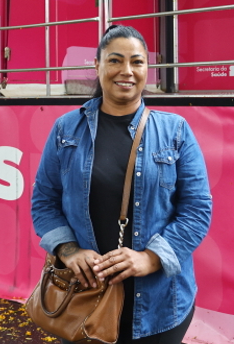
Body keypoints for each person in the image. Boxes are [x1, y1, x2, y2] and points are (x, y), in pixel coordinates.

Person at [31, 25, 212, 344]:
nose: (126, 71)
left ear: (147, 69)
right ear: (97, 65)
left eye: (137, 62)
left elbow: (196, 211)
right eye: (115, 60)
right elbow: (44, 202)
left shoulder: (176, 131)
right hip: (84, 297)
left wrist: (151, 258)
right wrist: (69, 251)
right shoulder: (66, 130)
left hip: (160, 306)